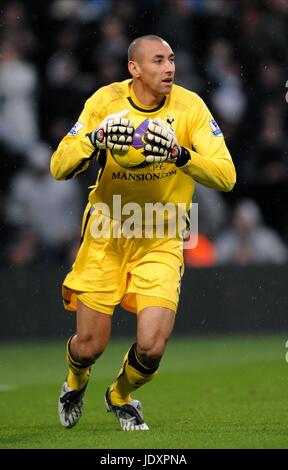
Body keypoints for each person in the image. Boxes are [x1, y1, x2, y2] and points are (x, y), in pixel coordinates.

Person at [50, 35, 236, 431]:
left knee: (151, 347)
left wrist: (180, 155)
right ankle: (75, 380)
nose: (169, 68)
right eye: (158, 61)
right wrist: (94, 140)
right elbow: (59, 165)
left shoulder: (190, 108)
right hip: (108, 230)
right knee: (90, 346)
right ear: (134, 68)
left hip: (163, 234)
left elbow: (226, 175)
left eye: (171, 59)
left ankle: (120, 395)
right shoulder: (105, 102)